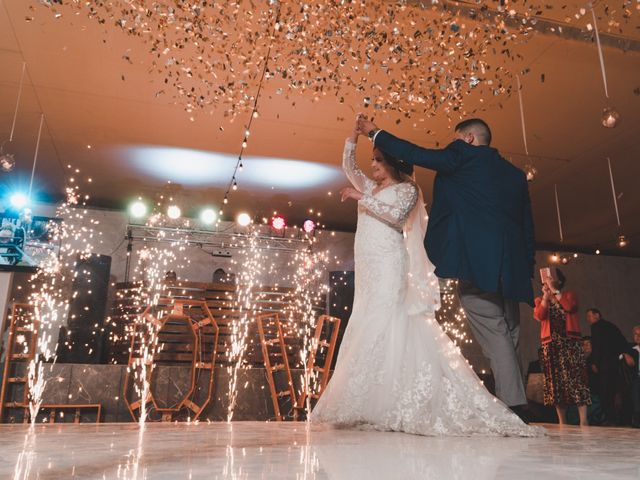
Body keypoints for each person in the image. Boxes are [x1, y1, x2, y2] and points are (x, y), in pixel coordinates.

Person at [311, 115, 541, 437]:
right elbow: (526, 225)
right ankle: (510, 399)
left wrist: (375, 133)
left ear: (469, 140)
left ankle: (513, 407)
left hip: (471, 263)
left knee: (498, 336)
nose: (374, 164)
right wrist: (355, 138)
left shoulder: (441, 169)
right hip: (509, 266)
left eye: (457, 139)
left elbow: (417, 154)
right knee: (508, 332)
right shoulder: (515, 176)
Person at [533, 268, 590, 425]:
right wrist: (546, 296)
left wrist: (554, 290)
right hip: (551, 346)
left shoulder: (568, 295)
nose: (548, 281)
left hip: (570, 344)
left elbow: (569, 307)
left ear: (559, 281)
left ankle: (583, 420)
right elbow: (539, 315)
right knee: (556, 383)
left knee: (577, 380)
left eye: (552, 279)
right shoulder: (540, 299)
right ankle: (562, 421)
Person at [587, 308, 632, 425]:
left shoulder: (596, 327)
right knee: (613, 392)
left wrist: (594, 363)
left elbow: (597, 347)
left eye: (589, 316)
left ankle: (609, 419)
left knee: (604, 393)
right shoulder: (611, 326)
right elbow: (622, 341)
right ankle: (616, 419)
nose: (588, 319)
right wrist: (624, 354)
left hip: (604, 366)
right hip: (615, 364)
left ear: (597, 315)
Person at [630, 326, 640, 427]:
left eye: (639, 334)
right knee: (635, 388)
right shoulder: (631, 350)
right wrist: (624, 354)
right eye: (635, 334)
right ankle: (637, 420)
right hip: (637, 378)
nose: (637, 337)